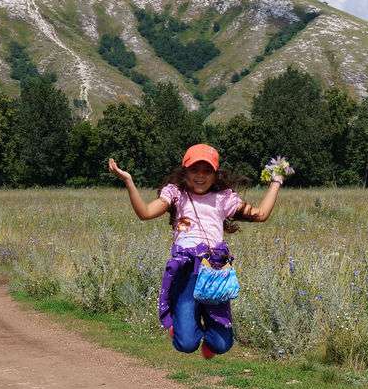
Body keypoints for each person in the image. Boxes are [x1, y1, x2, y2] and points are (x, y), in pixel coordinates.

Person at [108, 143, 285, 359]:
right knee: (186, 343)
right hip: (185, 272)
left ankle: (200, 327)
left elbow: (261, 214)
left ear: (215, 174)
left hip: (213, 273)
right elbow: (145, 213)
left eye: (207, 170)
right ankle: (183, 325)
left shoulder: (224, 198)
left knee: (221, 345)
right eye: (194, 170)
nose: (200, 176)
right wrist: (128, 181)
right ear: (185, 172)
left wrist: (276, 181)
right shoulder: (176, 195)